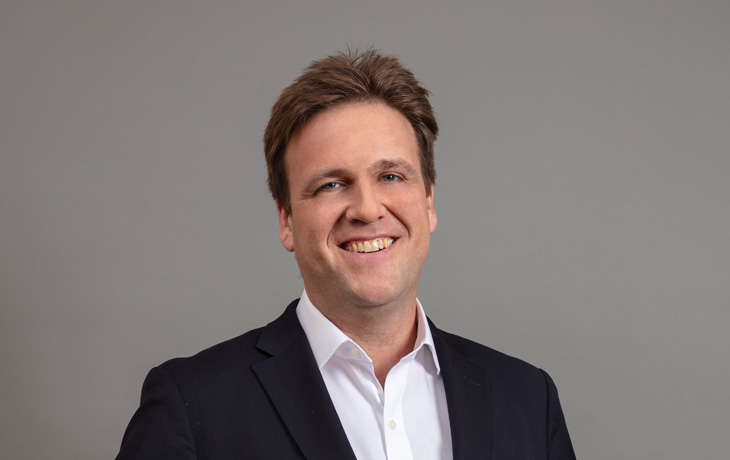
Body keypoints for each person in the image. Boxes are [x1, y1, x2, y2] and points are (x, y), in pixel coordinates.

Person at [116, 49, 576, 460]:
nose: (367, 209)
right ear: (286, 220)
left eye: (391, 176)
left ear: (429, 201)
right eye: (331, 184)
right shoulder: (192, 405)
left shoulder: (527, 399)